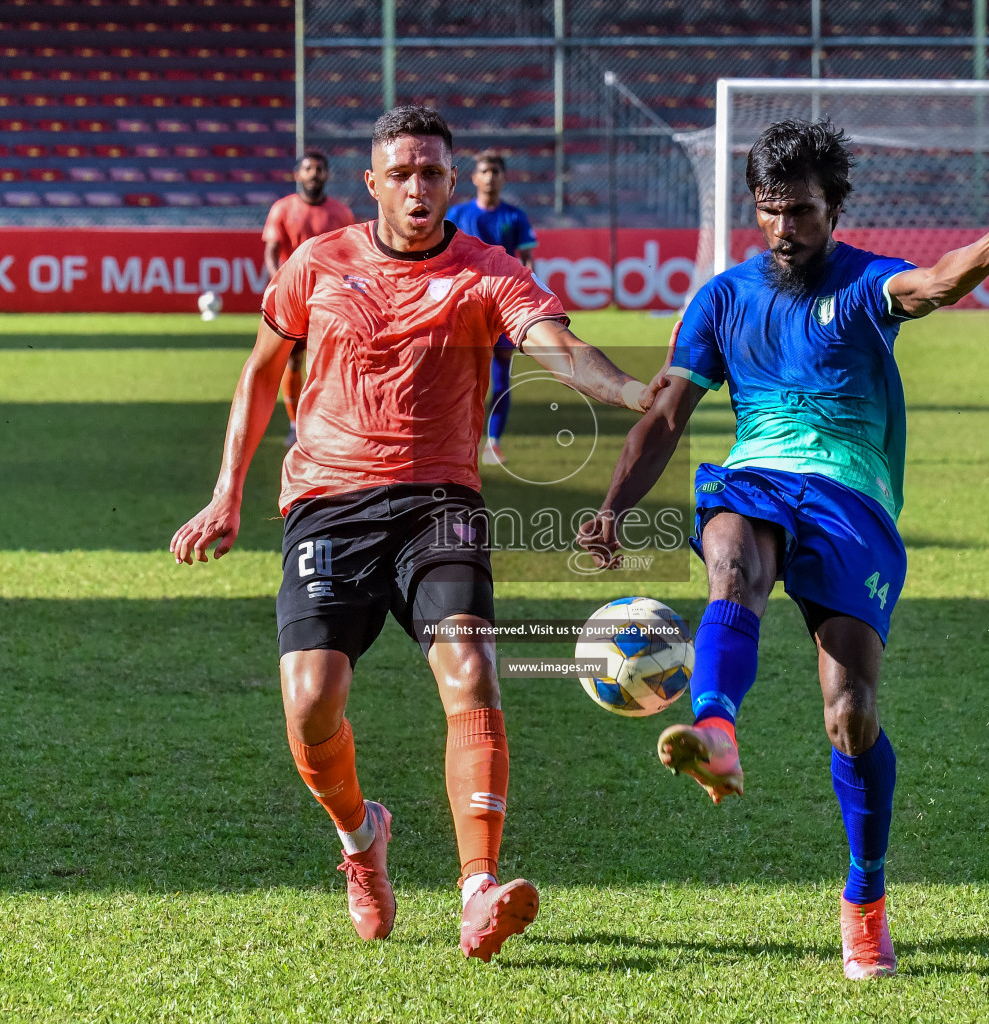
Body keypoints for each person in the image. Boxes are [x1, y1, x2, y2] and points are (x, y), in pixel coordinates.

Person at [577, 119, 989, 980]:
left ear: (835, 208)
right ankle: (716, 730)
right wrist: (614, 507)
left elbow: (933, 286)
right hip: (759, 475)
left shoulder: (865, 282)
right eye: (771, 211)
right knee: (732, 563)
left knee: (851, 716)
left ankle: (865, 898)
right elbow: (665, 414)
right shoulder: (723, 297)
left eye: (803, 211)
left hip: (853, 497)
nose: (785, 228)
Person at [172, 106, 664, 961]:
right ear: (372, 183)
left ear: (451, 180)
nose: (418, 187)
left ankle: (477, 889)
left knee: (471, 667)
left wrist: (626, 391)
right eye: (401, 172)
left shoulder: (485, 269)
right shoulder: (317, 263)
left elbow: (555, 343)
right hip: (327, 504)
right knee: (311, 703)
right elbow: (259, 376)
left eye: (432, 172)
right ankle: (364, 840)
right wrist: (226, 495)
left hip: (440, 503)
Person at [445, 150, 538, 467]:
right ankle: (460, 441)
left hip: (502, 306)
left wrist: (527, 296)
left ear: (503, 177)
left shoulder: (515, 216)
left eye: (496, 171)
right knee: (462, 378)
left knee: (500, 378)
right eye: (485, 170)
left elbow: (526, 262)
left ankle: (493, 443)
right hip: (466, 306)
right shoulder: (457, 215)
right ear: (474, 177)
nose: (490, 176)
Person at [262, 150, 356, 446]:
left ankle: (328, 421)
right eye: (308, 168)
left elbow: (350, 257)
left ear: (327, 175)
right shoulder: (282, 209)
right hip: (292, 299)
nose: (314, 173)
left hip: (330, 301)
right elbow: (271, 253)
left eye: (319, 168)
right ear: (298, 175)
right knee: (293, 362)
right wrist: (282, 285)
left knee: (331, 363)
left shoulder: (341, 214)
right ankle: (294, 424)